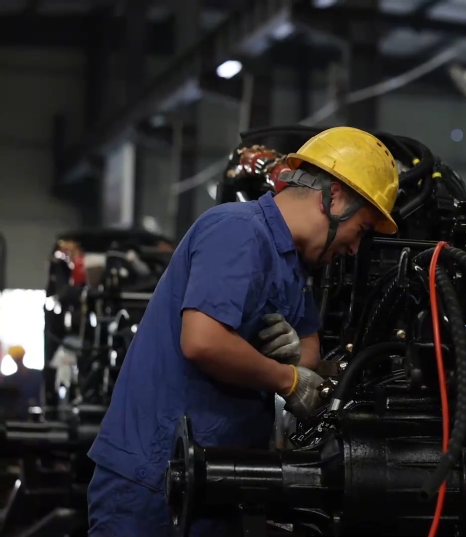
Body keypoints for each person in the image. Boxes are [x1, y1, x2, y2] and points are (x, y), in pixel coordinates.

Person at [86, 126, 400, 536]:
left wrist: (294, 356)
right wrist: (287, 379)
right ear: (335, 197)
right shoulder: (238, 231)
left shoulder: (292, 263)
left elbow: (310, 349)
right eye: (361, 229)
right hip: (154, 482)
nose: (356, 248)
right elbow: (203, 342)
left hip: (214, 480)